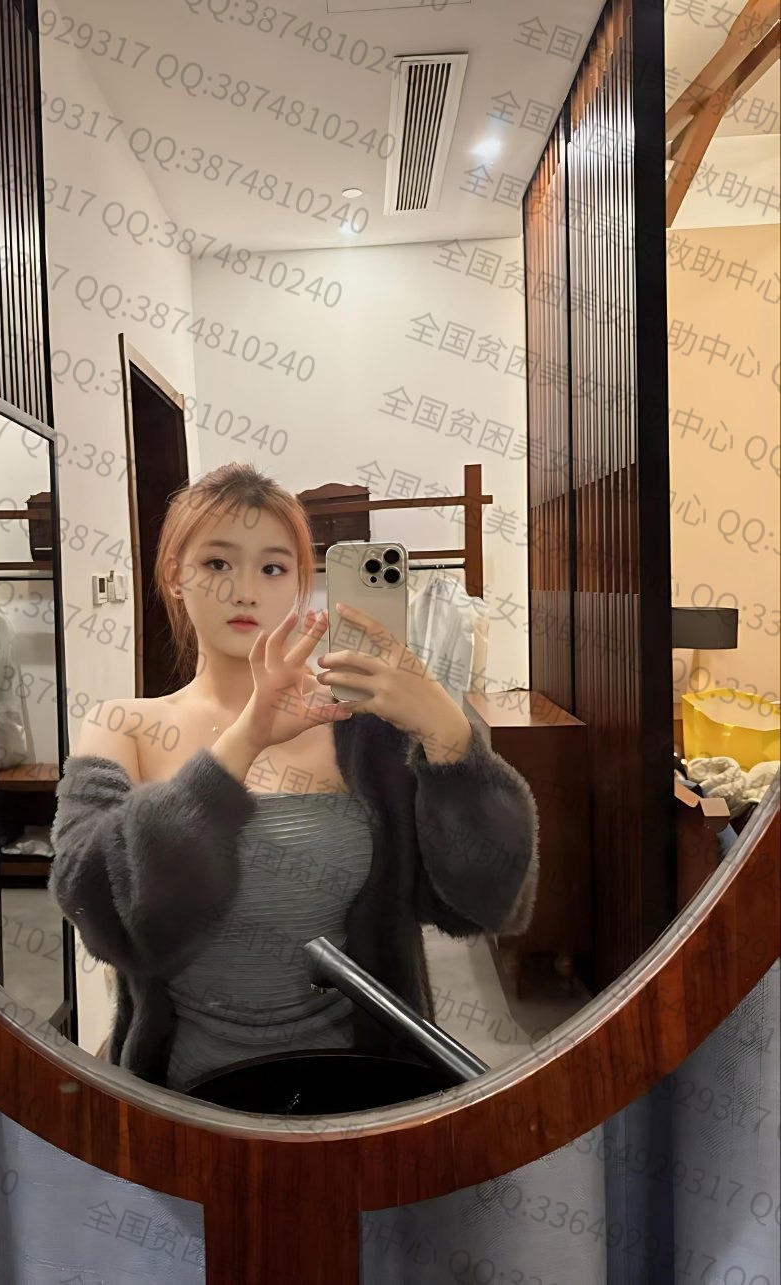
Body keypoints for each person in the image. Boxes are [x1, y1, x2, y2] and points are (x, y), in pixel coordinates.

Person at [49, 463, 539, 1094]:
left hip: (362, 1085)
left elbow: (482, 902)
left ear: (302, 583)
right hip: (182, 1099)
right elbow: (94, 905)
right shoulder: (125, 724)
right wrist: (244, 740)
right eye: (217, 563)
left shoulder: (364, 729)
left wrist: (450, 737)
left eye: (274, 568)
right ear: (175, 576)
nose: (246, 591)